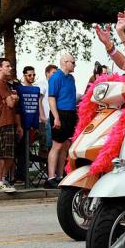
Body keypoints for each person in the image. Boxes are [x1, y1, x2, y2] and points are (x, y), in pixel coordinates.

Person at [0, 57, 22, 192]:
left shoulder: (1, 83)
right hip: (3, 122)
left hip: (4, 121)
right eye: (7, 66)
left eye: (10, 66)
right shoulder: (0, 83)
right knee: (3, 154)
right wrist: (15, 98)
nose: (10, 68)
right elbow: (10, 104)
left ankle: (0, 180)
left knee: (6, 154)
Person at [45, 54, 78, 188]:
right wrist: (56, 117)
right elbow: (51, 98)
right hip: (60, 112)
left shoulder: (71, 78)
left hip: (70, 113)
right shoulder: (56, 77)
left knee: (65, 145)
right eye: (73, 62)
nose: (75, 65)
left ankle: (60, 176)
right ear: (65, 62)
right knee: (56, 145)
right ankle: (50, 177)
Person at [15, 65, 43, 183]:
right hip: (21, 122)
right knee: (21, 150)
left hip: (32, 122)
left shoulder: (36, 89)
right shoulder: (19, 88)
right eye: (29, 75)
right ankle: (20, 175)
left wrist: (38, 121)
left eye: (34, 75)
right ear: (24, 75)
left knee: (27, 150)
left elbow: (37, 105)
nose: (32, 77)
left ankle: (23, 174)